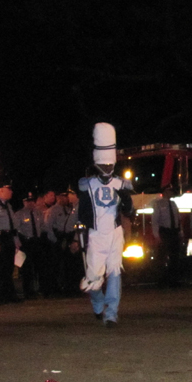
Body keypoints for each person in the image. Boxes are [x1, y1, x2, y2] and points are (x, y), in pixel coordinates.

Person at [78, 122, 134, 328]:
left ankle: (111, 313)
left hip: (115, 233)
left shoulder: (120, 184)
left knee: (115, 273)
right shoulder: (87, 185)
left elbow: (129, 210)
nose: (107, 168)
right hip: (95, 235)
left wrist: (125, 200)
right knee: (93, 278)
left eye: (110, 165)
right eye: (104, 165)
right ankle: (98, 304)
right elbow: (82, 214)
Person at [14, 192, 44, 298]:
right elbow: (16, 230)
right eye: (28, 201)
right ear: (24, 202)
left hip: (37, 241)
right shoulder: (19, 214)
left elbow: (41, 226)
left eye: (32, 201)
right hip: (26, 242)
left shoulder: (38, 213)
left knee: (38, 266)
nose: (30, 203)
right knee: (27, 268)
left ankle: (38, 288)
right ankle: (28, 290)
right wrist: (18, 242)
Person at [151, 184, 182, 287]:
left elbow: (177, 218)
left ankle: (174, 279)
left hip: (174, 232)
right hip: (165, 232)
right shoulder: (159, 204)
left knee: (175, 256)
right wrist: (157, 236)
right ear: (164, 192)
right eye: (169, 191)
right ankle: (162, 280)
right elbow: (155, 221)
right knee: (162, 257)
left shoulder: (173, 204)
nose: (171, 193)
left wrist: (180, 231)